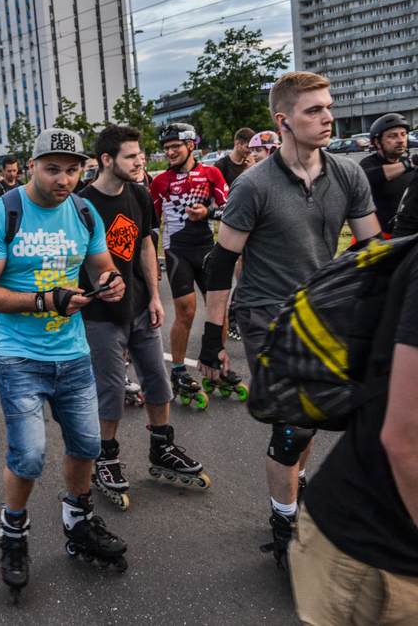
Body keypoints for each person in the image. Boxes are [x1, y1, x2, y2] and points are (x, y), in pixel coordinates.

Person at [198, 71, 380, 571]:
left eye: (328, 107)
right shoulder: (253, 185)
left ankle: (293, 492)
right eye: (314, 110)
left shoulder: (348, 174)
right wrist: (213, 338)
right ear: (284, 121)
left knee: (312, 415)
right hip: (267, 315)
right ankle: (285, 524)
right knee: (293, 425)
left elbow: (371, 251)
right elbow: (219, 263)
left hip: (326, 314)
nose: (327, 117)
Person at [0, 128, 128, 600]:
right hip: (19, 355)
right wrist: (45, 301)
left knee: (86, 446)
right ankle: (13, 535)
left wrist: (111, 279)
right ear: (33, 165)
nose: (64, 179)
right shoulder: (2, 214)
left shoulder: (83, 211)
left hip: (73, 354)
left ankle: (78, 522)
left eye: (72, 169)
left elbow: (101, 264)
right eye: (53, 168)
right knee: (30, 454)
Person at [81, 126, 209, 513]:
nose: (141, 161)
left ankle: (161, 447)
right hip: (100, 316)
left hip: (139, 307)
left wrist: (154, 295)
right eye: (132, 156)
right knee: (110, 391)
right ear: (107, 160)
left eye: (141, 154)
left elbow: (144, 244)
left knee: (157, 379)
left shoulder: (139, 192)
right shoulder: (81, 205)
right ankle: (105, 457)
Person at [289, 246, 418, 624]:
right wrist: (213, 339)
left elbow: (371, 235)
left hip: (383, 542)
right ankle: (283, 511)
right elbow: (404, 440)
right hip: (371, 554)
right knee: (290, 439)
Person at [149, 122, 229, 406]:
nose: (169, 152)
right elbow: (152, 225)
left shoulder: (212, 174)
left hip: (207, 249)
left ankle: (215, 360)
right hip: (177, 252)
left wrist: (209, 211)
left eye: (175, 147)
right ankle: (179, 369)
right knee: (187, 310)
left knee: (218, 309)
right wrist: (150, 263)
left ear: (191, 145)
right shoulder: (160, 181)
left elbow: (231, 208)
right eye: (166, 148)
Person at [360, 113, 416, 238]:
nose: (401, 140)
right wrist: (410, 164)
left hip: (405, 238)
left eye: (403, 135)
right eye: (393, 136)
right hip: (374, 239)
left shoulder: (409, 165)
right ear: (378, 142)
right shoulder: (368, 164)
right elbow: (371, 176)